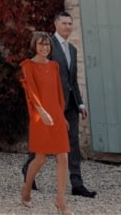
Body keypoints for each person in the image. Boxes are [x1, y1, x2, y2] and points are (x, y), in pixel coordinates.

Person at [24, 11, 96, 198]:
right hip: (50, 104)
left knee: (72, 142)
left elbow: (72, 80)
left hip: (70, 103)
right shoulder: (47, 46)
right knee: (43, 145)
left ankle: (77, 183)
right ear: (55, 24)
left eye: (70, 23)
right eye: (64, 23)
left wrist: (80, 103)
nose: (68, 26)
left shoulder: (72, 49)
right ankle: (28, 169)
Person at [20, 31, 71, 215]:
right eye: (41, 44)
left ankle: (60, 200)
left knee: (63, 156)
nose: (44, 48)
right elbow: (31, 93)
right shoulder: (28, 66)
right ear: (35, 45)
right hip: (40, 116)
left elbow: (58, 92)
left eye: (47, 45)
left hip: (56, 115)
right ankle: (26, 188)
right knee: (40, 158)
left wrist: (62, 116)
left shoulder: (55, 65)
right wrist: (42, 113)